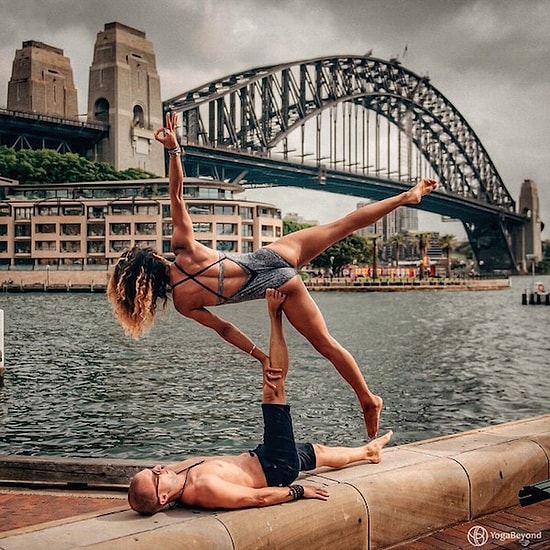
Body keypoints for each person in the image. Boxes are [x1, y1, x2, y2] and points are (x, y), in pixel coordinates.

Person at [107, 111, 437, 439]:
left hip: (280, 287)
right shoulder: (183, 248)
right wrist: (175, 149)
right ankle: (407, 197)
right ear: (151, 257)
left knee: (326, 345)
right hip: (272, 256)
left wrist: (261, 356)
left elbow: (225, 328)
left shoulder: (183, 302)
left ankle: (368, 399)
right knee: (343, 225)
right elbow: (176, 195)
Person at [128, 289, 393, 514]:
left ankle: (368, 453)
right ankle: (275, 315)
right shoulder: (201, 489)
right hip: (276, 467)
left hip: (264, 456)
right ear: (163, 497)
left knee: (318, 452)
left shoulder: (176, 474)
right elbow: (256, 498)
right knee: (273, 389)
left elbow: (224, 328)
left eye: (153, 469)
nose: (159, 469)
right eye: (154, 476)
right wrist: (300, 490)